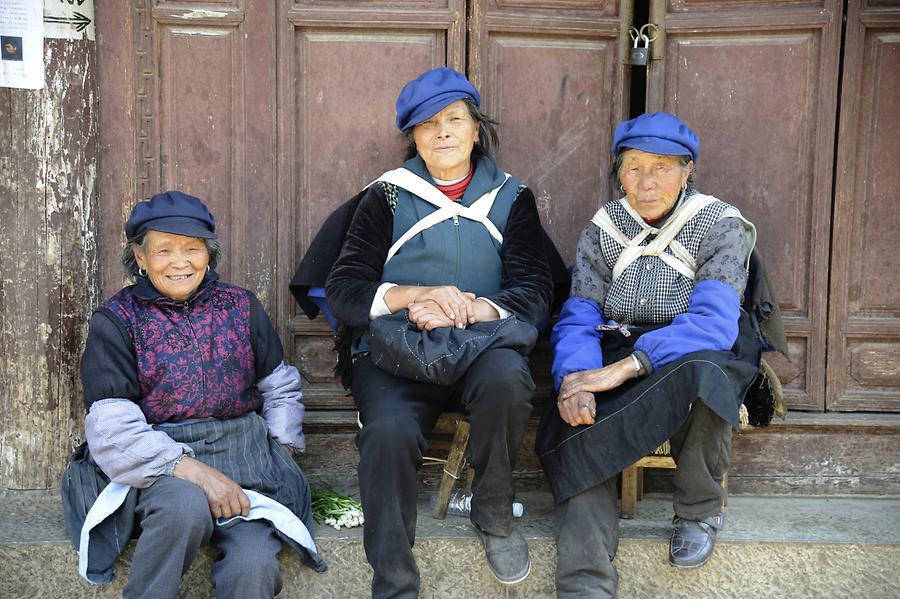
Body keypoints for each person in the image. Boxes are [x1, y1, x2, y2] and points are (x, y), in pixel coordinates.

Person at [325, 67, 553, 597]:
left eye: (455, 120)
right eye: (428, 125)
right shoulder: (385, 196)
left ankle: (494, 513)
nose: (443, 132)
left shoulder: (512, 198)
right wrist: (415, 296)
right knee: (387, 434)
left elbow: (535, 291)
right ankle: (394, 580)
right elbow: (344, 290)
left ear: (477, 130)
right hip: (395, 351)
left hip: (480, 347)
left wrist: (468, 310)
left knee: (508, 381)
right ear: (414, 138)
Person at [537, 112, 763, 597]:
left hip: (695, 345)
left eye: (662, 167)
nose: (646, 181)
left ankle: (700, 508)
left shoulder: (718, 223)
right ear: (619, 174)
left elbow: (715, 324)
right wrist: (578, 376)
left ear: (687, 172)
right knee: (576, 421)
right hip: (616, 341)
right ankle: (585, 582)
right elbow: (580, 314)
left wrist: (627, 367)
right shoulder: (603, 227)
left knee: (706, 377)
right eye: (634, 167)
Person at [61, 191, 325, 599]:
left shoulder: (241, 306)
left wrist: (281, 450)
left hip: (245, 459)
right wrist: (198, 474)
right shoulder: (117, 320)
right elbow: (113, 427)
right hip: (157, 462)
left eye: (192, 249)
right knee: (184, 506)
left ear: (209, 254)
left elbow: (279, 386)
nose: (180, 262)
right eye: (164, 250)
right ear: (140, 258)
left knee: (254, 563)